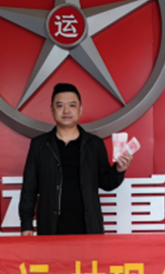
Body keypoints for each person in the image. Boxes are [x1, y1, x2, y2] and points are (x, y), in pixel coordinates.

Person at [19, 83, 133, 236]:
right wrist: (26, 224)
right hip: (51, 228)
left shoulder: (94, 144)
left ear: (80, 110)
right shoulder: (39, 145)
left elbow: (106, 183)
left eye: (72, 105)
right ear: (52, 110)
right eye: (60, 105)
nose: (66, 111)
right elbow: (29, 188)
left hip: (88, 228)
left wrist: (118, 170)